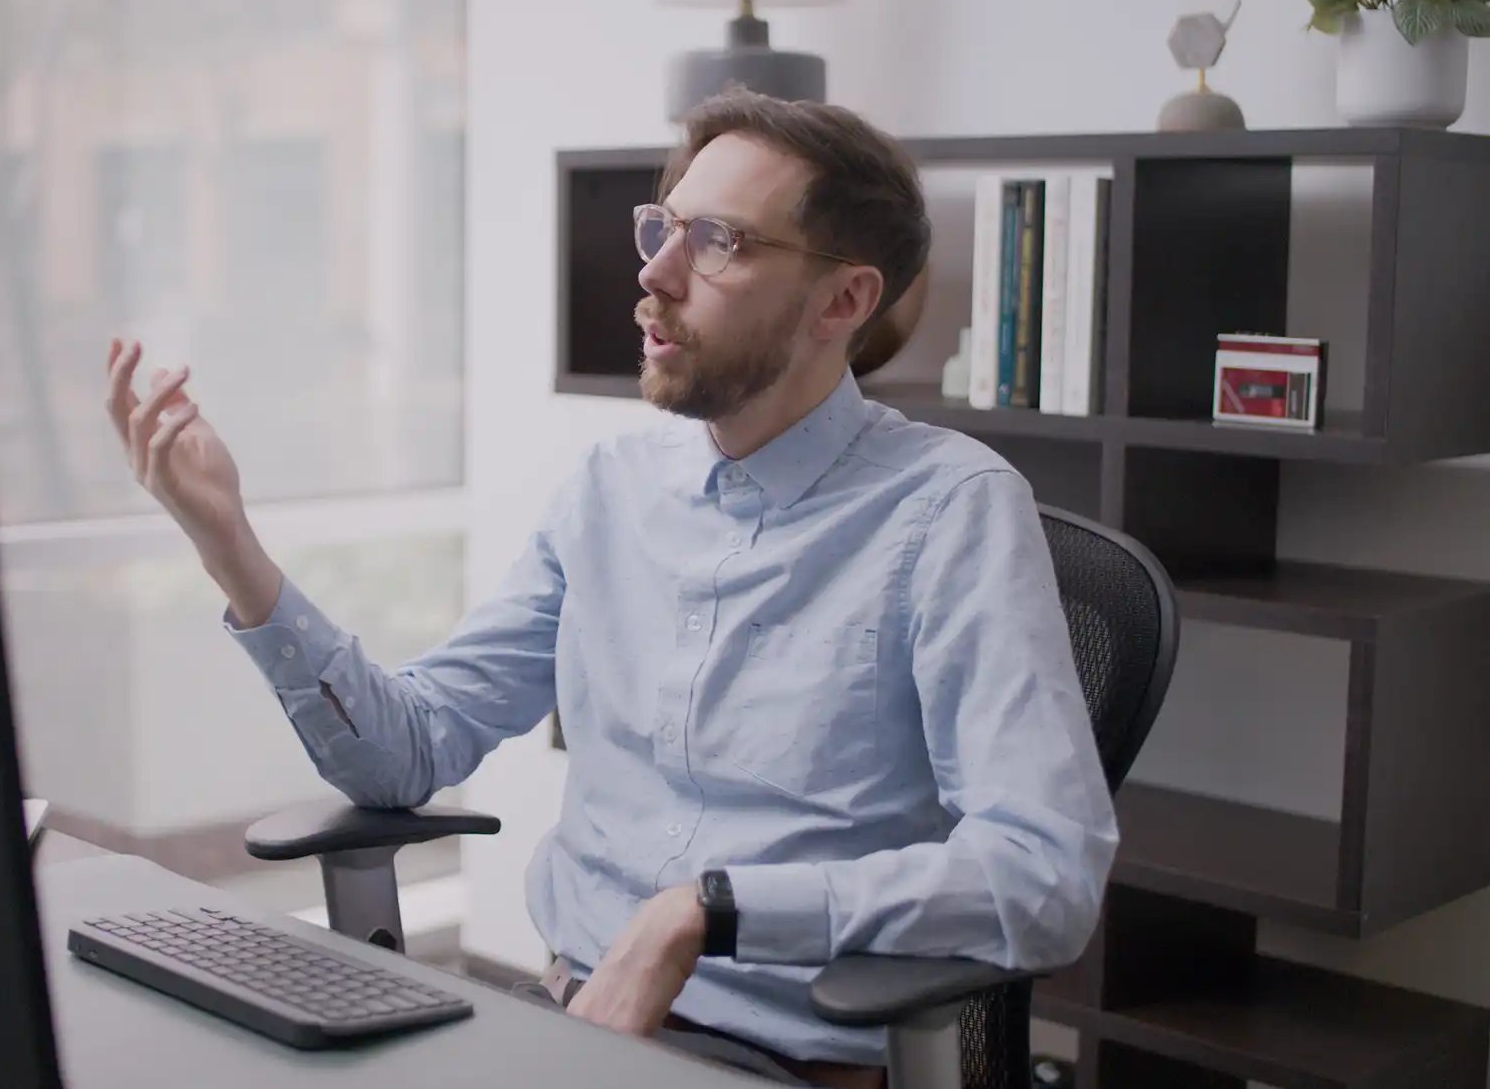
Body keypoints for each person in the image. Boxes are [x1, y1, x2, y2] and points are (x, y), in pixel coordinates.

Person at [103, 87, 1118, 1089]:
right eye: (664, 227)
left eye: (719, 241)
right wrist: (229, 543)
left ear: (843, 301)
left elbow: (1043, 873)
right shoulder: (608, 492)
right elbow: (406, 753)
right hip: (563, 1025)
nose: (657, 274)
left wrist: (706, 910)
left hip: (774, 1060)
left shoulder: (950, 511)